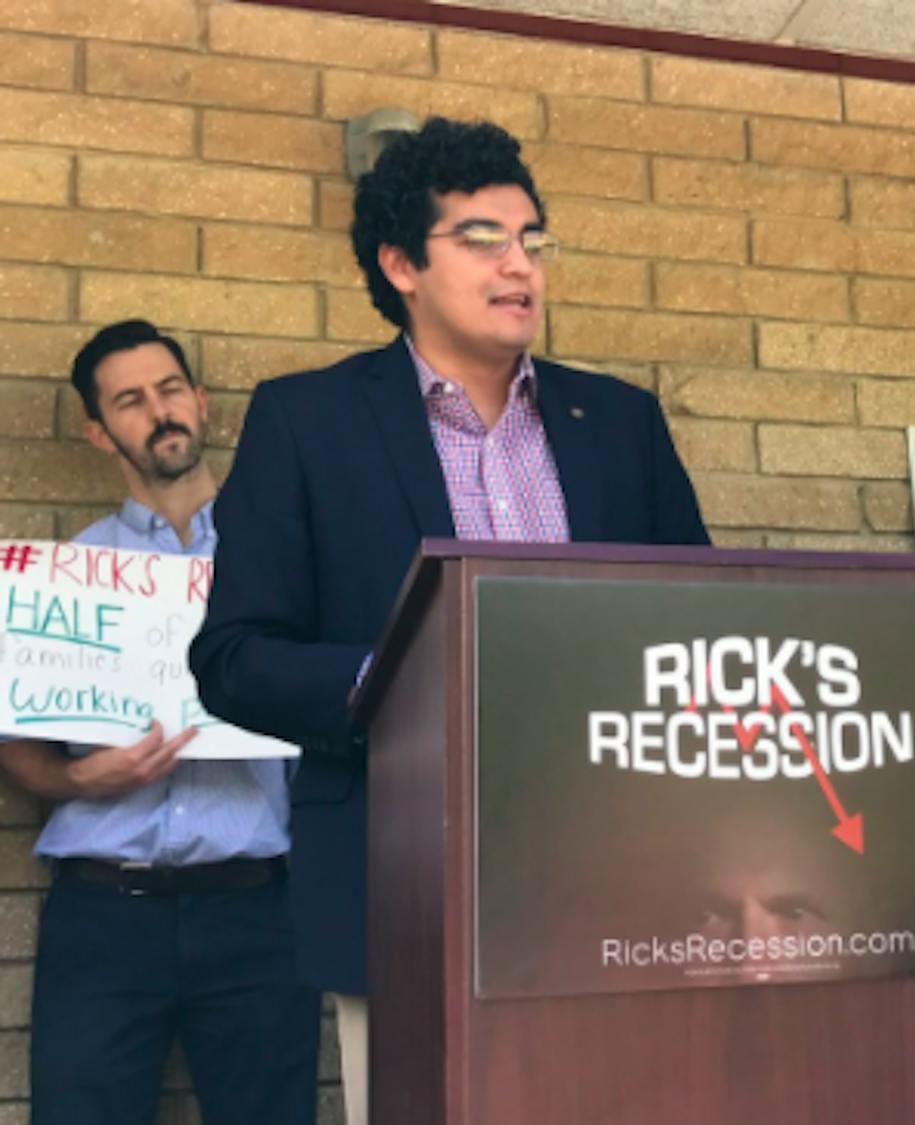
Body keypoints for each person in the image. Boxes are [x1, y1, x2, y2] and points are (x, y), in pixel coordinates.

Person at [189, 116, 709, 1125]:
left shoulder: (622, 422)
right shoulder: (308, 421)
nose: (520, 266)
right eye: (481, 238)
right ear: (400, 264)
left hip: (625, 883)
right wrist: (409, 676)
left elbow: (700, 623)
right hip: (404, 887)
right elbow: (235, 657)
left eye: (534, 241)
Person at [0, 320, 319, 1125]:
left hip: (257, 909)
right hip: (103, 913)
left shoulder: (288, 563)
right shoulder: (64, 577)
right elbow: (19, 746)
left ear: (203, 403)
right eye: (131, 401)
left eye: (171, 389)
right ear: (99, 431)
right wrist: (77, 778)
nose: (160, 410)